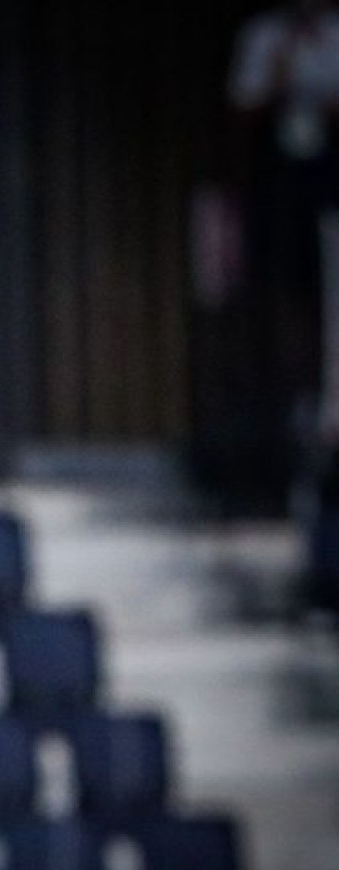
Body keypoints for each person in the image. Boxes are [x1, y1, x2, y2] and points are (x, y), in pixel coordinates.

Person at [227, 0, 339, 512]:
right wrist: (281, 74)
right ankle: (291, 402)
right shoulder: (265, 36)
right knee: (287, 290)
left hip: (330, 173)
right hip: (282, 177)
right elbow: (245, 109)